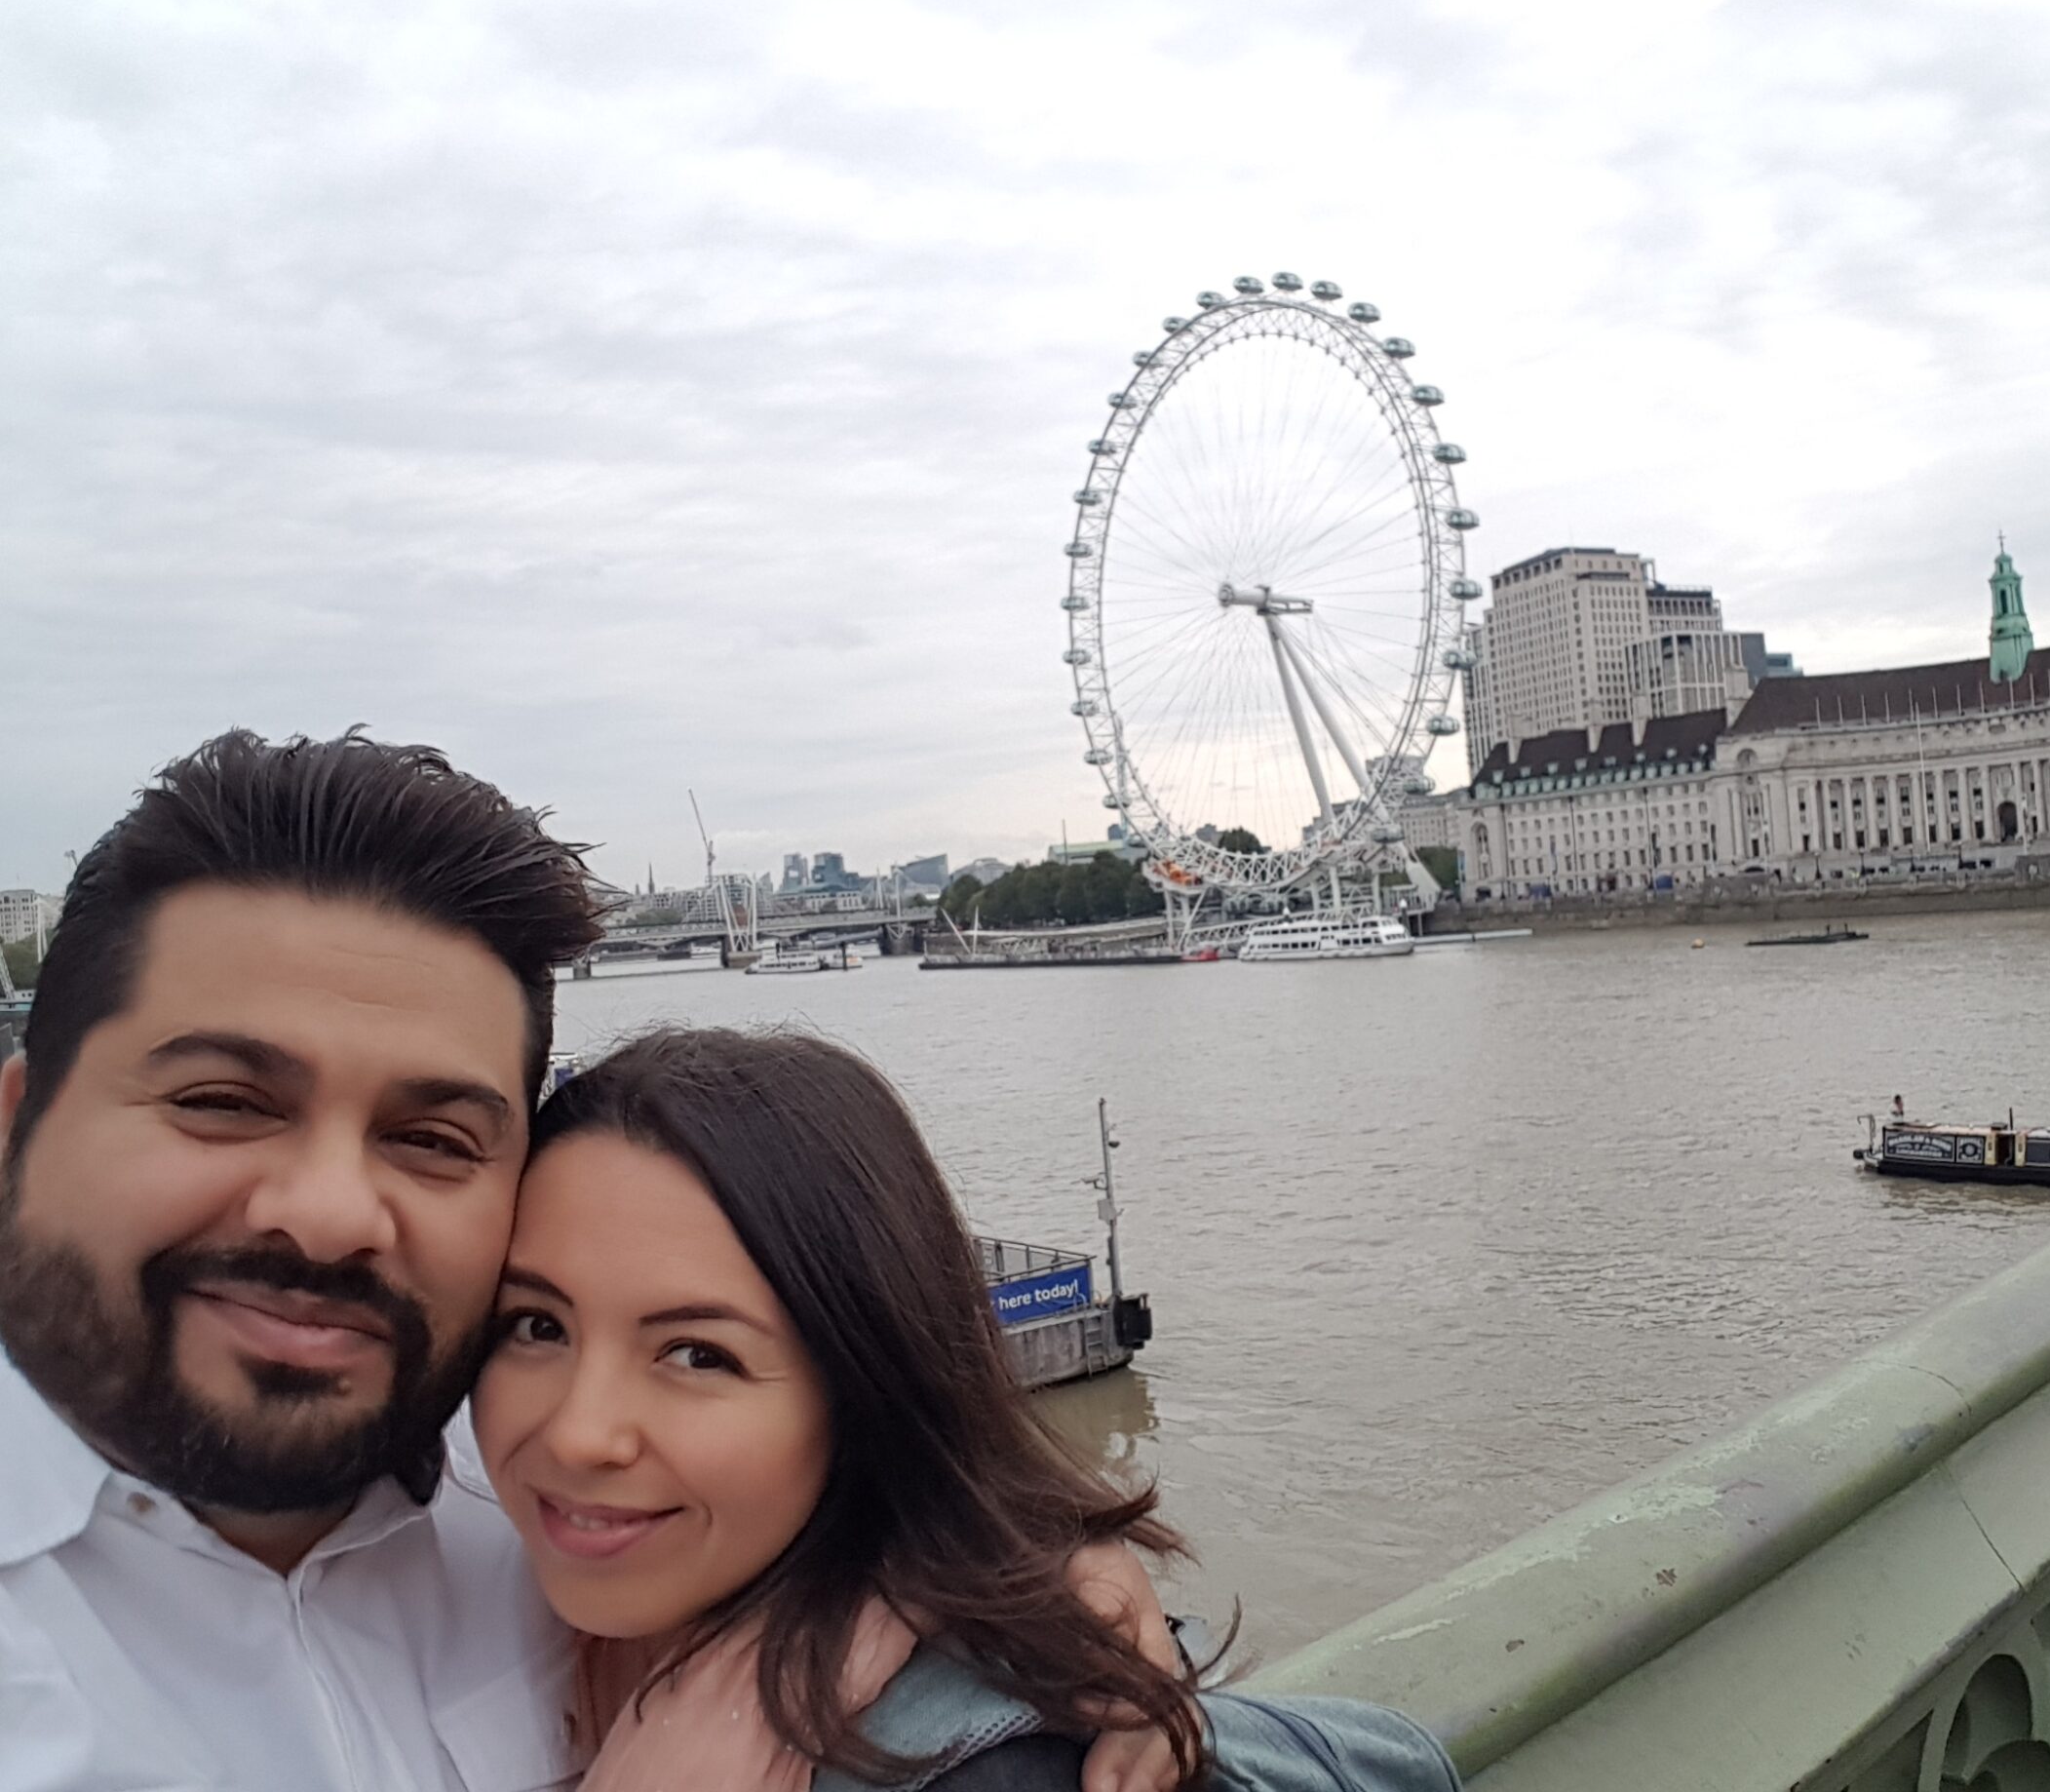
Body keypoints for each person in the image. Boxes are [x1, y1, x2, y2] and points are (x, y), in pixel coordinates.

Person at [0, 729, 1174, 1791]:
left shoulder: (526, 1478)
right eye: (222, 1102)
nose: (328, 1216)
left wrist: (1019, 1581)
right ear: (16, 1128)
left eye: (430, 1139)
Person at [475, 1028, 1458, 1792]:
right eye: (536, 1326)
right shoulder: (449, 1559)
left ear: (865, 1388)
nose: (579, 1433)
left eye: (699, 1355)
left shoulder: (989, 1769)